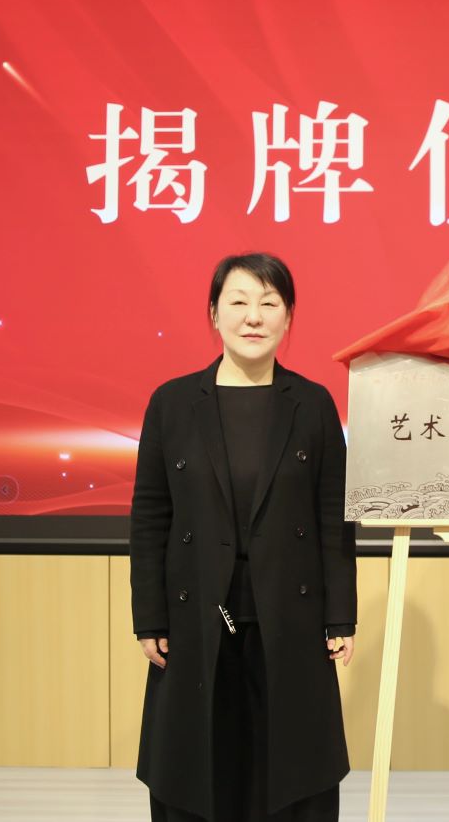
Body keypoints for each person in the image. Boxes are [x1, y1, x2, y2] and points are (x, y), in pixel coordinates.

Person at [130, 252, 357, 822]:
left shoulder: (312, 404)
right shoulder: (172, 403)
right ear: (214, 313)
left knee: (292, 769)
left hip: (291, 616)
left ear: (288, 317)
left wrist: (340, 618)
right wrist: (149, 617)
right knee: (195, 767)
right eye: (238, 301)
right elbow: (150, 516)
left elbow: (334, 518)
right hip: (195, 616)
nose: (253, 317)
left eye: (268, 303)